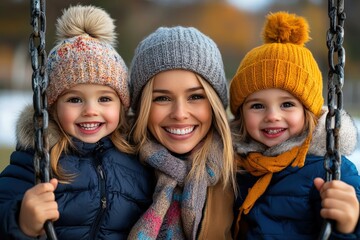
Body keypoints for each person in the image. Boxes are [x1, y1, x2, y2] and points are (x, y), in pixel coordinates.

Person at [0, 5, 154, 239]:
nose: (91, 111)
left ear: (122, 105)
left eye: (104, 98)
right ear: (52, 106)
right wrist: (21, 220)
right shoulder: (36, 159)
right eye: (74, 99)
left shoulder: (137, 160)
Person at [229, 11, 360, 239]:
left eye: (287, 104)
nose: (272, 116)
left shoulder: (327, 169)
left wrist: (350, 225)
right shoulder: (235, 164)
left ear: (308, 112)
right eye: (257, 106)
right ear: (241, 113)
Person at [126, 26, 236, 240]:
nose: (179, 114)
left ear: (214, 103)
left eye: (195, 97)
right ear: (142, 107)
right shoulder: (117, 166)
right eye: (162, 98)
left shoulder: (239, 168)